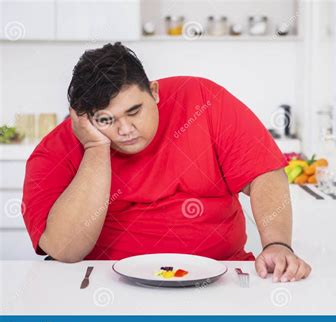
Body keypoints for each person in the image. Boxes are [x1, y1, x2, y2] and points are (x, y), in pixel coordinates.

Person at [22, 42, 311, 282]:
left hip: (219, 275)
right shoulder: (53, 151)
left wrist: (277, 244)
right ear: (82, 118)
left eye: (134, 111)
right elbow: (64, 250)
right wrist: (96, 146)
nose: (125, 130)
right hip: (105, 282)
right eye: (106, 120)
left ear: (154, 92)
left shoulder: (203, 100)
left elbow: (263, 172)